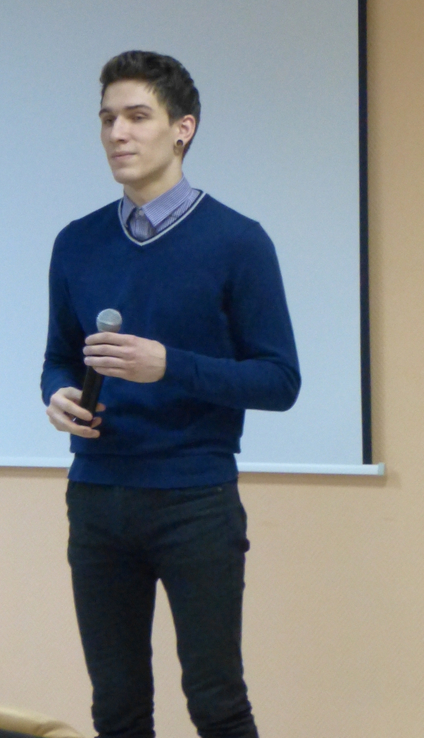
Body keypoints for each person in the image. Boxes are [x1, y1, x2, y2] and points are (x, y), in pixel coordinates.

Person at [41, 50, 300, 738]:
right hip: (96, 497)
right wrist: (57, 395)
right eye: (107, 119)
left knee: (216, 702)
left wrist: (170, 366)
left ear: (183, 128)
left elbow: (279, 380)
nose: (117, 133)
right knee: (116, 708)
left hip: (195, 501)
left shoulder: (238, 242)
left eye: (136, 116)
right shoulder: (76, 243)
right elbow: (58, 357)